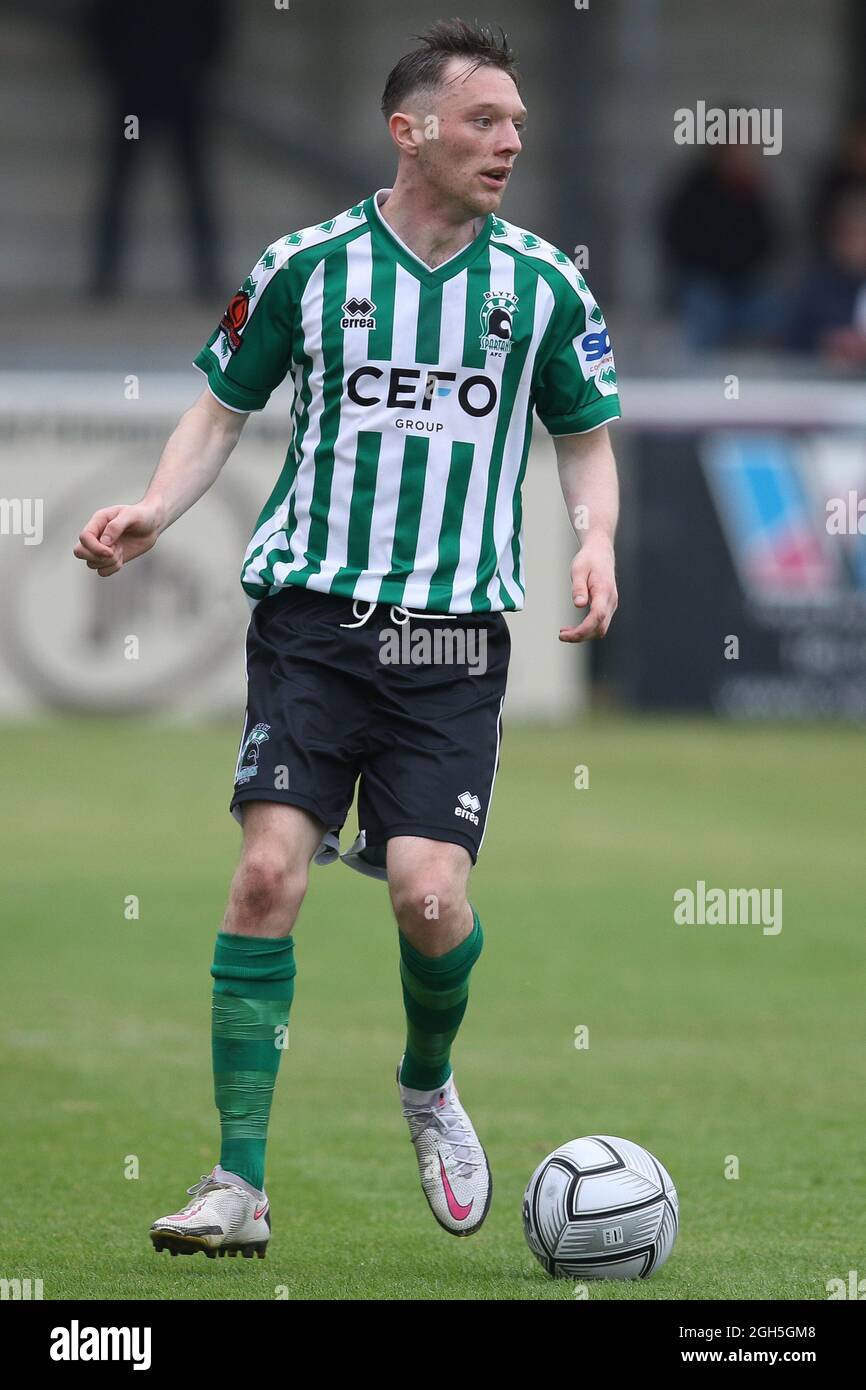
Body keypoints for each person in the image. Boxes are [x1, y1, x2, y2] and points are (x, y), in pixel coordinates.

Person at [74, 18, 621, 1256]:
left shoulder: (540, 284)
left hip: (451, 642)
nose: (509, 143)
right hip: (313, 626)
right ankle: (238, 1184)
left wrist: (593, 541)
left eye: (520, 125)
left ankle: (427, 1083)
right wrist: (156, 509)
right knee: (267, 875)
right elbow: (218, 412)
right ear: (409, 127)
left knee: (428, 898)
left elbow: (584, 438)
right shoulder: (306, 267)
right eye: (485, 121)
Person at [660, 142, 782, 349]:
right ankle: (700, 376)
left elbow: (770, 242)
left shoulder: (753, 192)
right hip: (705, 284)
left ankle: (756, 376)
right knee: (703, 303)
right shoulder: (693, 190)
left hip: (746, 288)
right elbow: (677, 241)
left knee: (772, 307)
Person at [786, 190, 866, 366]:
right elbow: (792, 345)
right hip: (825, 384)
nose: (858, 243)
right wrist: (826, 344)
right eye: (852, 233)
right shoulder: (818, 287)